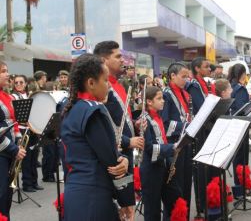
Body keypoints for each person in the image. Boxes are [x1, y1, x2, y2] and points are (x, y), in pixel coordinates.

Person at [61, 54, 128, 221]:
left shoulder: (68, 107)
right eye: (105, 81)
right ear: (91, 83)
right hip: (94, 195)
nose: (108, 86)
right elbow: (111, 161)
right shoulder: (94, 111)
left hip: (74, 192)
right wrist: (126, 200)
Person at [94, 41, 143, 220]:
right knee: (121, 210)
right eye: (117, 56)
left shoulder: (119, 85)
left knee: (128, 207)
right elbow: (101, 128)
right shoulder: (101, 88)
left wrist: (136, 125)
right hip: (114, 156)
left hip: (126, 155)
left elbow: (121, 120)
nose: (122, 60)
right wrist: (127, 141)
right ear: (103, 60)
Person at [140, 86, 181, 221]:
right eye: (159, 98)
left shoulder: (158, 117)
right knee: (153, 211)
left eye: (162, 98)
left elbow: (162, 141)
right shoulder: (144, 120)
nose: (163, 101)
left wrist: (170, 163)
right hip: (151, 170)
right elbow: (150, 148)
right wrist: (173, 147)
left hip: (163, 166)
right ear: (149, 102)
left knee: (175, 199)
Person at [186, 57, 216, 216]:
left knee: (210, 167)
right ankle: (202, 204)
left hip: (208, 129)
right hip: (200, 132)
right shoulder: (194, 85)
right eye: (206, 66)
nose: (209, 69)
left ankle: (211, 199)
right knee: (201, 169)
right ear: (197, 69)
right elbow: (202, 107)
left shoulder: (205, 83)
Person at [161, 63, 191, 217]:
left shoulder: (184, 94)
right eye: (183, 76)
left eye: (187, 76)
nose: (186, 79)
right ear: (172, 76)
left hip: (184, 143)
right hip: (174, 146)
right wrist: (187, 126)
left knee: (185, 183)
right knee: (176, 187)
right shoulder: (166, 94)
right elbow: (165, 124)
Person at [0, 61, 26, 219]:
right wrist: (14, 149)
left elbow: (12, 122)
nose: (7, 74)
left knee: (7, 196)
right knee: (1, 195)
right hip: (2, 153)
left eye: (7, 70)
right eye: (3, 71)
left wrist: (19, 142)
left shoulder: (7, 95)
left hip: (9, 152)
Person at [11, 75, 43, 192]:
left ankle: (34, 182)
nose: (18, 84)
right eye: (16, 83)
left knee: (34, 156)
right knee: (27, 158)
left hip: (31, 129)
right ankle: (27, 183)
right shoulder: (13, 96)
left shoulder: (28, 95)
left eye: (21, 82)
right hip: (21, 129)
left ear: (25, 84)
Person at [227, 64, 251, 185]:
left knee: (237, 156)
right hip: (241, 124)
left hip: (231, 124)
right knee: (242, 157)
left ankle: (239, 184)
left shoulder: (230, 85)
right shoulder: (240, 88)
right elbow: (242, 108)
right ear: (242, 74)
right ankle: (241, 184)